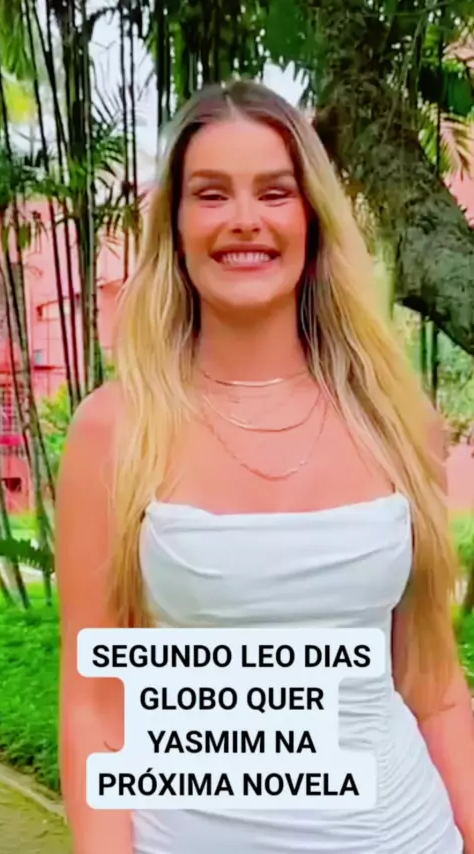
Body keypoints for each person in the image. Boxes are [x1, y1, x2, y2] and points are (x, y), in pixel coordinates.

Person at [55, 79, 474, 854]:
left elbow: (436, 689)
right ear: (176, 226)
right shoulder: (114, 431)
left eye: (274, 192)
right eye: (211, 194)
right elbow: (95, 708)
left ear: (311, 218)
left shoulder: (398, 420)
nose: (244, 219)